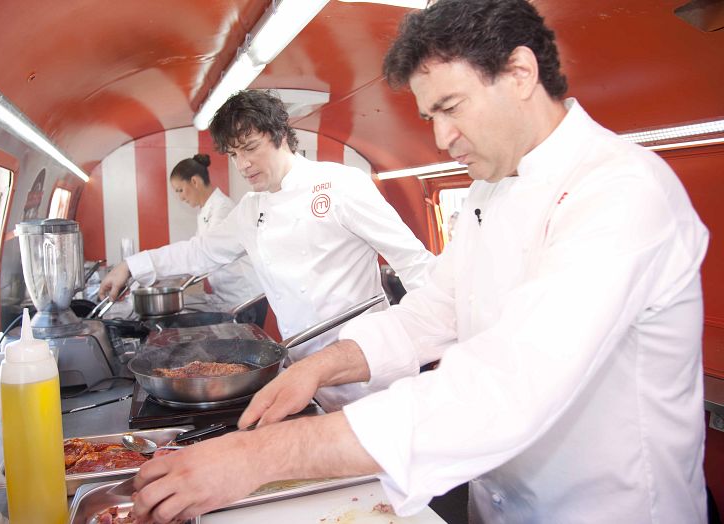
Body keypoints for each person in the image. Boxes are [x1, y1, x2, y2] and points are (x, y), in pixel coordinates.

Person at [130, 1, 710, 523]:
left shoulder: (621, 191)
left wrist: (260, 455)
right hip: (499, 498)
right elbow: (430, 312)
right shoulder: (489, 190)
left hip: (607, 506)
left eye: (450, 107)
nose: (440, 138)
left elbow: (511, 383)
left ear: (520, 73)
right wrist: (318, 366)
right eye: (431, 115)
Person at [101, 89, 434, 411]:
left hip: (368, 372)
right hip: (306, 374)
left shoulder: (343, 185)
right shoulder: (250, 209)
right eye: (233, 154)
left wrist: (443, 342)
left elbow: (413, 262)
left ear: (281, 136)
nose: (242, 164)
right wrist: (131, 266)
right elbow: (200, 252)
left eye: (250, 148)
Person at [125, 154, 266, 322]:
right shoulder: (206, 211)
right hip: (230, 296)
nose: (181, 197)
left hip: (245, 297)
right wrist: (168, 278)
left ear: (194, 182)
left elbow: (203, 254)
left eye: (180, 190)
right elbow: (196, 253)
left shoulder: (222, 209)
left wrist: (142, 267)